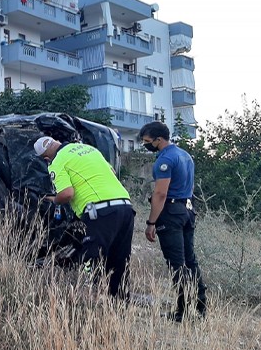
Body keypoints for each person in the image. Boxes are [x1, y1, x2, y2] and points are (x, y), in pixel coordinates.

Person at [34, 136, 134, 298]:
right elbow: (112, 171)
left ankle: (91, 296)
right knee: (119, 258)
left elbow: (67, 194)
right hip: (125, 206)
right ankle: (120, 301)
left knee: (91, 256)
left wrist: (54, 199)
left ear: (46, 158)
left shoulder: (57, 161)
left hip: (99, 210)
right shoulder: (89, 149)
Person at [140, 121, 207, 322]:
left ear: (159, 140)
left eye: (147, 141)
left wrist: (151, 222)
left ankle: (182, 311)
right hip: (187, 209)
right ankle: (201, 307)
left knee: (176, 264)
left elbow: (160, 193)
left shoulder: (166, 159)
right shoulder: (185, 155)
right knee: (190, 261)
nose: (145, 145)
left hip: (171, 212)